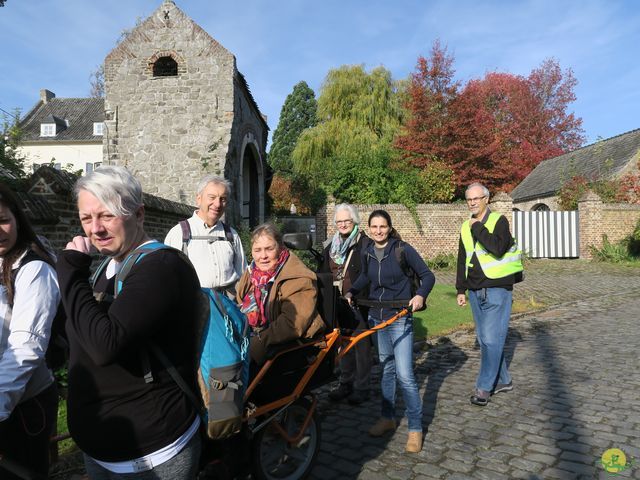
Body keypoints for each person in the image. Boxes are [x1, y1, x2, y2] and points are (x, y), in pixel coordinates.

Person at [57, 166, 202, 479]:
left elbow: (104, 345)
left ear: (138, 214)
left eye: (107, 215)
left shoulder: (160, 267)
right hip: (103, 450)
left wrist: (69, 271)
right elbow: (81, 330)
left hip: (152, 455)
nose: (95, 229)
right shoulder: (108, 266)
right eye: (86, 218)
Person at [346, 210, 435, 453]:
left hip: (399, 318)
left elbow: (428, 276)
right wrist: (352, 290)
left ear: (389, 227)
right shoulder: (366, 251)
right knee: (386, 369)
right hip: (377, 318)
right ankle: (387, 418)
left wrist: (419, 295)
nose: (378, 231)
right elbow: (365, 277)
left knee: (405, 375)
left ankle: (415, 428)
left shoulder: (402, 249)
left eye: (382, 226)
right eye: (374, 227)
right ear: (369, 228)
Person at [0, 184, 60, 480]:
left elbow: (27, 345)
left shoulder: (34, 268)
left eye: (2, 219)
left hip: (23, 407)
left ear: (17, 218)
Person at [455, 182, 523, 407]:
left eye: (476, 198)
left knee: (492, 340)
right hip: (474, 290)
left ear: (487, 199)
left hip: (497, 290)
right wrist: (460, 289)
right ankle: (504, 379)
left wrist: (477, 228)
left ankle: (484, 387)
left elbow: (497, 248)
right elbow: (462, 258)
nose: (472, 202)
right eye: (469, 199)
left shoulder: (498, 222)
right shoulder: (465, 226)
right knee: (485, 339)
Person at [236, 223, 325, 366]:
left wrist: (258, 341)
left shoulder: (297, 277)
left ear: (280, 248)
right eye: (257, 250)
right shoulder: (251, 273)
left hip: (283, 347)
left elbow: (292, 324)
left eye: (269, 249)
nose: (263, 256)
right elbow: (239, 303)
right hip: (251, 336)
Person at [320, 204, 372, 405]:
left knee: (361, 344)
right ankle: (346, 382)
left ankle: (362, 386)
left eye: (347, 221)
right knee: (342, 343)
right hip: (336, 302)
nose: (342, 225)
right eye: (339, 221)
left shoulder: (364, 243)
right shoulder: (330, 246)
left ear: (354, 222)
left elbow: (369, 273)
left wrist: (358, 293)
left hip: (359, 301)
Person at [165, 174, 246, 293]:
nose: (217, 204)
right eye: (212, 197)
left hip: (228, 307)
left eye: (222, 199)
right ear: (199, 199)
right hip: (194, 307)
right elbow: (167, 278)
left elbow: (243, 275)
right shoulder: (179, 234)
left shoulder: (231, 235)